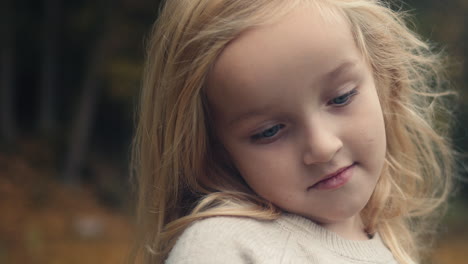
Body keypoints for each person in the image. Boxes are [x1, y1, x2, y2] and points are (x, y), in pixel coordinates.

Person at [130, 0, 455, 263]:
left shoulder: (388, 246)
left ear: (382, 80)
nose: (323, 146)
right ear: (215, 149)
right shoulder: (227, 248)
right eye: (270, 131)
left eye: (341, 97)